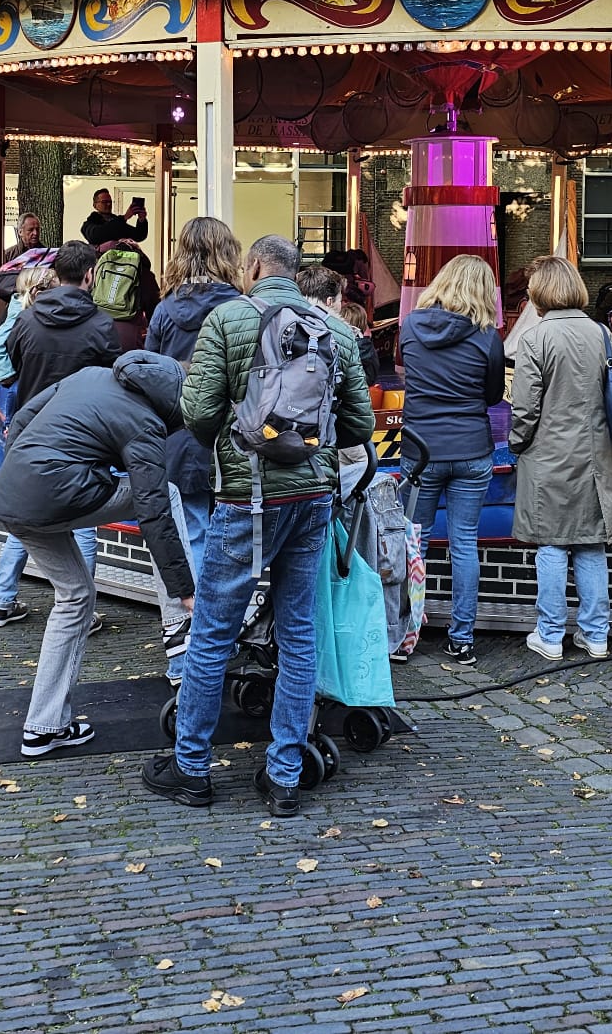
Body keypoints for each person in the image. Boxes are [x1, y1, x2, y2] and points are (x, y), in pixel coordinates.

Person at [143, 234, 373, 816]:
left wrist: (240, 434)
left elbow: (195, 413)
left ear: (252, 267)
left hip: (248, 499)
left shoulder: (226, 321)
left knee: (215, 629)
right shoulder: (335, 330)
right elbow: (358, 425)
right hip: (314, 498)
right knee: (298, 633)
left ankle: (191, 766)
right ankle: (285, 773)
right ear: (296, 274)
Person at [0, 351, 196, 758]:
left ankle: (44, 726)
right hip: (56, 495)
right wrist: (185, 589)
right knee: (166, 494)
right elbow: (152, 508)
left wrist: (22, 470)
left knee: (75, 596)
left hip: (13, 499)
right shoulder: (147, 422)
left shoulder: (89, 374)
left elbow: (24, 417)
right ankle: (177, 623)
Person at [0, 241, 120, 629]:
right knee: (83, 523)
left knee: (28, 517)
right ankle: (84, 609)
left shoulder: (26, 321)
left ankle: (1, 600)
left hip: (33, 429)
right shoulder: (101, 325)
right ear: (91, 275)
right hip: (84, 436)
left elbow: (11, 359)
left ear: (55, 274)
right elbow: (112, 378)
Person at [143, 217, 243, 683]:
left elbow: (151, 375)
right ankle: (222, 635)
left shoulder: (165, 311)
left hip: (180, 439)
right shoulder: (244, 307)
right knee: (230, 538)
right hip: (231, 440)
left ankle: (193, 647)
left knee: (194, 537)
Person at [505, 258, 612, 661]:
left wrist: (517, 445)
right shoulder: (602, 334)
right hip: (594, 457)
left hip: (547, 458)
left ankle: (550, 635)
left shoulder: (535, 340)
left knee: (552, 547)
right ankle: (596, 635)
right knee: (590, 547)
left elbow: (525, 409)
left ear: (539, 293)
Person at [399, 255, 505, 666]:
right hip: (472, 449)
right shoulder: (487, 337)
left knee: (415, 543)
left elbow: (409, 373)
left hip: (420, 450)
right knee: (464, 544)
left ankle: (407, 633)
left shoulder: (410, 325)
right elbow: (494, 396)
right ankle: (462, 639)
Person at [0, 263, 55, 433]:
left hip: (21, 367)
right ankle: (9, 425)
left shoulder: (26, 307)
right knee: (15, 391)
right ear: (37, 293)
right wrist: (7, 374)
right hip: (13, 373)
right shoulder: (19, 310)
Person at [298, 264, 381, 387]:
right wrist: (363, 342)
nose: (342, 305)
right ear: (330, 301)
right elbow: (359, 388)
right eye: (340, 300)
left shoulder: (282, 325)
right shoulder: (345, 336)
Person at [81, 186, 149, 248]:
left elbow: (139, 236)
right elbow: (98, 234)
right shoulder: (88, 224)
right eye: (104, 202)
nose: (108, 204)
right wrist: (124, 217)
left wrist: (141, 220)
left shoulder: (117, 222)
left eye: (110, 202)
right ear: (95, 205)